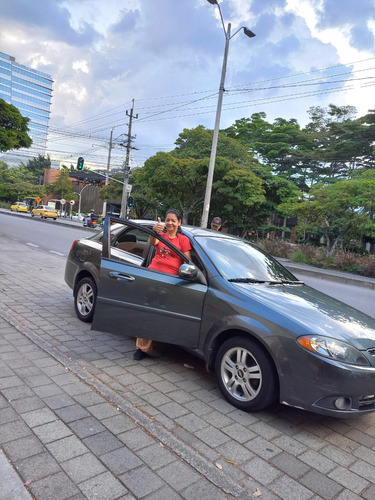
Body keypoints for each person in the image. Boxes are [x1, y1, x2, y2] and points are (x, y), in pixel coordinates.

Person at [134, 209, 191, 360]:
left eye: (173, 220)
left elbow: (187, 262)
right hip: (153, 276)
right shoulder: (161, 236)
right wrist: (153, 232)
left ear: (179, 222)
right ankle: (142, 348)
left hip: (170, 282)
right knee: (147, 312)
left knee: (161, 313)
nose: (170, 223)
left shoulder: (183, 240)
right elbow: (153, 243)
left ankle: (165, 344)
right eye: (168, 220)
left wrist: (187, 277)